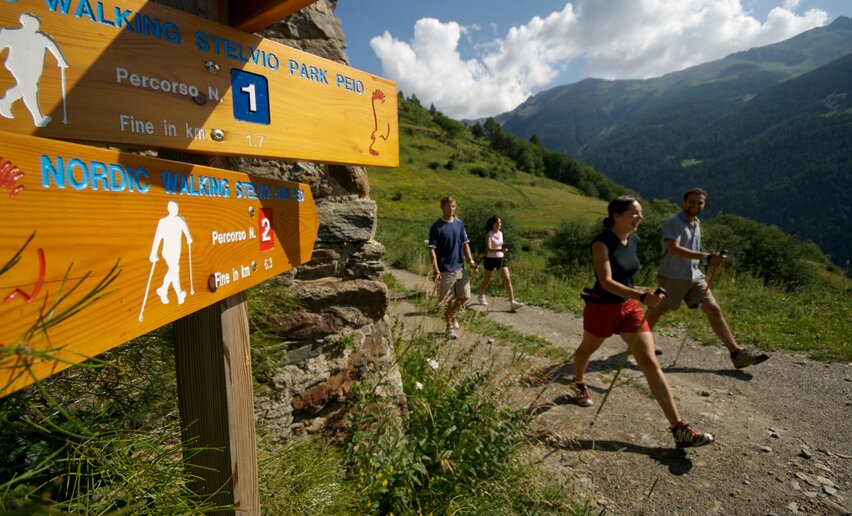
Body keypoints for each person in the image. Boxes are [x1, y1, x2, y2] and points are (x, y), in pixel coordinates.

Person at [569, 195, 714, 448]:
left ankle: (679, 428)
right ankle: (579, 382)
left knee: (650, 363)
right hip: (602, 306)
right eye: (635, 213)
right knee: (587, 349)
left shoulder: (633, 239)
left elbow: (627, 280)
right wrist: (641, 295)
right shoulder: (601, 242)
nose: (640, 217)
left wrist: (645, 293)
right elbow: (606, 281)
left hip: (629, 308)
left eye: (641, 212)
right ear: (617, 215)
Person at [647, 188, 769, 369]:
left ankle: (736, 354)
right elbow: (674, 248)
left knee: (713, 309)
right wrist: (706, 257)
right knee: (659, 310)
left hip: (695, 277)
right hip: (673, 276)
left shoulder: (696, 223)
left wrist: (708, 259)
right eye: (692, 202)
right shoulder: (674, 222)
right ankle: (638, 340)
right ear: (684, 202)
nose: (695, 205)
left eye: (700, 202)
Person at [428, 196, 478, 339]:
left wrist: (471, 261)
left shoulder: (459, 224)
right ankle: (449, 327)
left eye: (454, 206)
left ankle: (451, 315)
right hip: (444, 269)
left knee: (465, 296)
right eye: (449, 206)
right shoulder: (436, 227)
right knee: (447, 301)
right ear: (442, 207)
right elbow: (432, 249)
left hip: (460, 267)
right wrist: (436, 269)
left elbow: (465, 244)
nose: (451, 209)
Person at [476, 216, 524, 311]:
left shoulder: (501, 233)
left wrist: (503, 250)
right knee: (486, 279)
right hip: (490, 259)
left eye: (500, 223)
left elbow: (500, 245)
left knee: (507, 279)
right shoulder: (489, 234)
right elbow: (489, 249)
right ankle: (481, 295)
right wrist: (500, 249)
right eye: (497, 223)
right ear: (493, 224)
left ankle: (512, 302)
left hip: (500, 259)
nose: (499, 224)